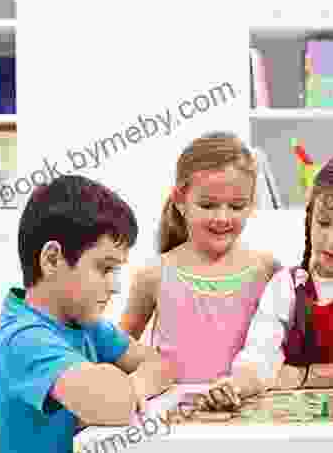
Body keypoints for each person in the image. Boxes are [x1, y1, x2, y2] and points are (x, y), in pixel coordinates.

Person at [198, 153, 333, 409]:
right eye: (322, 223)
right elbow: (259, 360)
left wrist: (299, 375)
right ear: (309, 217)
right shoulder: (285, 286)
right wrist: (235, 386)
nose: (332, 240)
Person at [0, 175, 176, 453]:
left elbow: (162, 365)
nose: (115, 287)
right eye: (105, 269)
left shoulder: (87, 325)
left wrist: (130, 386)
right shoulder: (22, 338)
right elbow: (112, 403)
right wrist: (121, 391)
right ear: (52, 260)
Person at [119, 131, 281, 388]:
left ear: (251, 205)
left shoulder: (267, 270)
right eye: (208, 205)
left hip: (249, 415)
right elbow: (118, 349)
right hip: (173, 419)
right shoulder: (154, 274)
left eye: (237, 206)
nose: (222, 218)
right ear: (181, 202)